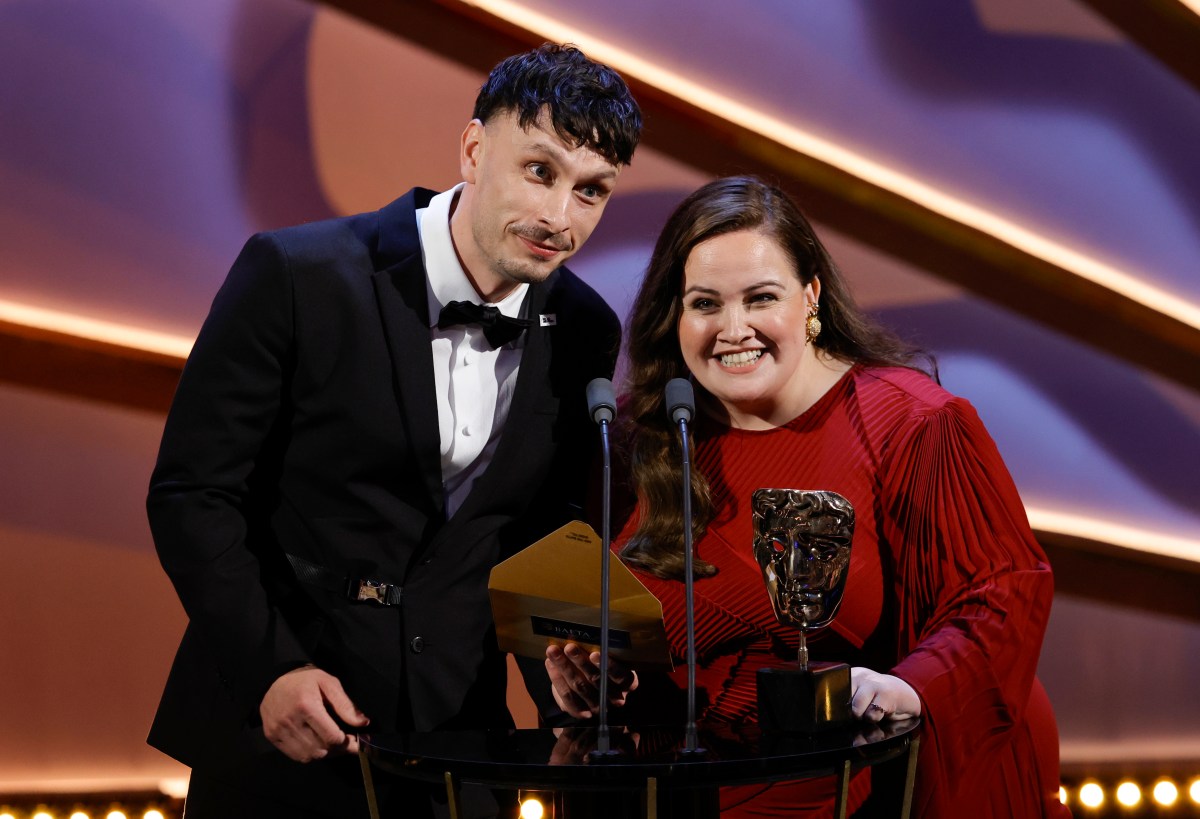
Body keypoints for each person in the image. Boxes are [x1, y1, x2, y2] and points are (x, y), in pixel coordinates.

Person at [146, 44, 641, 818]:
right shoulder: (296, 272)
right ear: (474, 149)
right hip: (285, 726)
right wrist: (270, 670)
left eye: (592, 191)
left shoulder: (583, 326)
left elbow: (541, 532)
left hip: (461, 742)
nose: (560, 216)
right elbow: (192, 494)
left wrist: (563, 679)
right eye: (540, 171)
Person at [546, 176, 1069, 818]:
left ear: (810, 296)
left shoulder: (913, 424)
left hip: (861, 788)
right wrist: (592, 675)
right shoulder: (638, 436)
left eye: (760, 298)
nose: (733, 330)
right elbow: (623, 631)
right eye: (705, 304)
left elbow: (1002, 596)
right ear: (674, 314)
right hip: (684, 793)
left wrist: (907, 689)